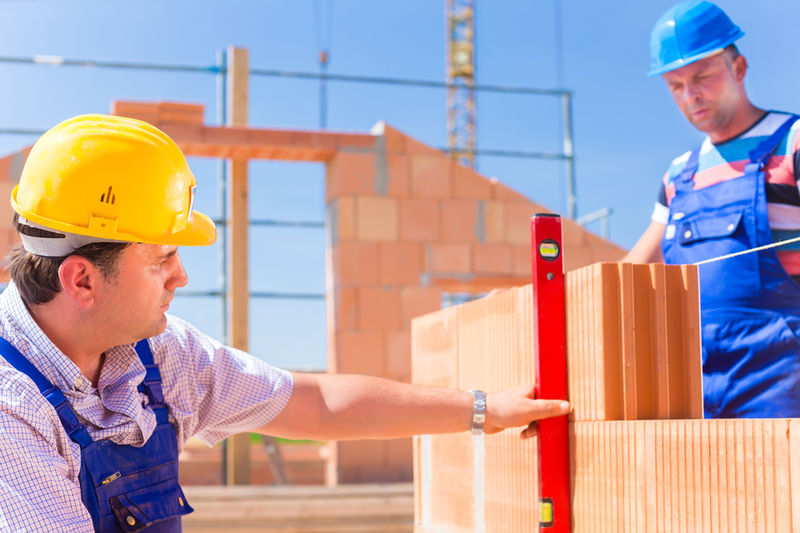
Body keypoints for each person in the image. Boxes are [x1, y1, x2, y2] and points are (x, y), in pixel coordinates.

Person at [0, 113, 568, 531]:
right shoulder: (12, 409)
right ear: (81, 281)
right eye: (161, 259)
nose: (182, 277)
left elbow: (316, 404)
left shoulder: (159, 355)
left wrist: (485, 410)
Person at [624, 0, 800, 418]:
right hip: (697, 385)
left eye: (701, 77)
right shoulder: (678, 177)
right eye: (676, 85)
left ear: (738, 68)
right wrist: (542, 296)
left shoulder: (791, 143)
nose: (691, 96)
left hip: (784, 383)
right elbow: (631, 271)